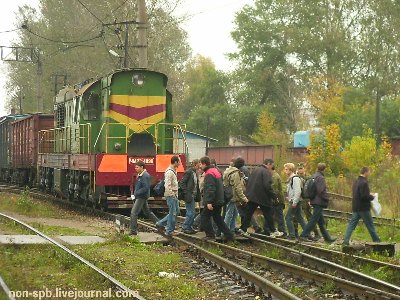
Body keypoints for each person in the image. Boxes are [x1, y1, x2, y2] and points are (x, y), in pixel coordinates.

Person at [342, 167, 381, 246]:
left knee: (351, 225)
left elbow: (359, 194)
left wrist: (369, 194)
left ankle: (345, 241)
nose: (369, 174)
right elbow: (364, 196)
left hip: (356, 207)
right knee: (370, 225)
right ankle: (377, 242)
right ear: (365, 172)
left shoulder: (356, 182)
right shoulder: (364, 183)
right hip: (363, 208)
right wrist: (372, 197)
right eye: (369, 172)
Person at [238, 159, 277, 236]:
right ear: (268, 164)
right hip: (262, 197)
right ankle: (273, 231)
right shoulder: (266, 172)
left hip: (252, 196)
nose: (272, 167)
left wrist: (248, 194)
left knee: (248, 214)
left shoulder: (255, 170)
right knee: (268, 214)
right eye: (272, 165)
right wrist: (274, 196)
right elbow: (267, 186)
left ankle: (243, 229)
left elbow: (249, 182)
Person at [200, 156, 234, 241]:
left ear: (204, 164)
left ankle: (210, 235)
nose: (200, 166)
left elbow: (210, 188)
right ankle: (229, 235)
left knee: (204, 217)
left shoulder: (209, 173)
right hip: (219, 200)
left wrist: (209, 202)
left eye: (200, 164)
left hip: (213, 201)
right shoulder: (215, 171)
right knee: (218, 218)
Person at [300, 163, 336, 243]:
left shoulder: (314, 176)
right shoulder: (320, 177)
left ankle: (327, 238)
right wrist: (327, 198)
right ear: (324, 169)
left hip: (314, 200)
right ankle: (304, 235)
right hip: (319, 201)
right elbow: (320, 190)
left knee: (321, 221)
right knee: (314, 219)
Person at [129, 161, 159, 235]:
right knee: (147, 212)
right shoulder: (141, 175)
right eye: (135, 167)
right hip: (141, 196)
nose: (135, 169)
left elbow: (146, 188)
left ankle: (133, 230)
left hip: (141, 197)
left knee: (134, 212)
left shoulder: (145, 176)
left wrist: (136, 194)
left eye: (137, 167)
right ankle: (160, 224)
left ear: (142, 167)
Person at [156, 156, 181, 237]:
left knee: (175, 212)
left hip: (174, 195)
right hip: (171, 195)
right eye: (179, 162)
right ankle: (169, 231)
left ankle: (160, 223)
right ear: (176, 162)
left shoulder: (173, 171)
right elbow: (167, 185)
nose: (180, 163)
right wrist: (171, 194)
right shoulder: (169, 172)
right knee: (173, 213)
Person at [223, 157, 248, 235]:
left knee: (234, 213)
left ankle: (231, 230)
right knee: (229, 214)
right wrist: (244, 198)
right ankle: (225, 232)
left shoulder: (228, 170)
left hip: (228, 194)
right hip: (232, 196)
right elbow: (237, 187)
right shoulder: (235, 173)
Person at [295, 163, 320, 239]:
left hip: (306, 199)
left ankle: (316, 233)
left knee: (308, 216)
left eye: (301, 169)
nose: (300, 171)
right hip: (299, 199)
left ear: (304, 169)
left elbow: (312, 190)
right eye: (299, 169)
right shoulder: (297, 177)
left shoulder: (309, 179)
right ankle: (295, 233)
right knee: (296, 216)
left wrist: (310, 200)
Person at [284, 162, 307, 240]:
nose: (285, 171)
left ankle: (292, 235)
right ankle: (307, 234)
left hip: (295, 201)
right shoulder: (292, 178)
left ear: (291, 170)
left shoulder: (295, 178)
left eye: (286, 169)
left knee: (288, 218)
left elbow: (298, 191)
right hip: (295, 200)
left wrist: (294, 202)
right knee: (299, 217)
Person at [179, 159, 201, 234]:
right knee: (190, 212)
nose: (200, 165)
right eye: (199, 164)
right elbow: (182, 183)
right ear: (195, 164)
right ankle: (185, 227)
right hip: (189, 195)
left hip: (193, 196)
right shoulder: (189, 172)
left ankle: (189, 226)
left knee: (193, 212)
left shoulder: (195, 172)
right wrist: (187, 193)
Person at [264, 159, 285, 236]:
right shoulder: (273, 175)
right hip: (275, 200)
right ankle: (267, 229)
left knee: (278, 216)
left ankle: (282, 231)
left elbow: (274, 189)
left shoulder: (274, 176)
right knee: (271, 214)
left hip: (277, 200)